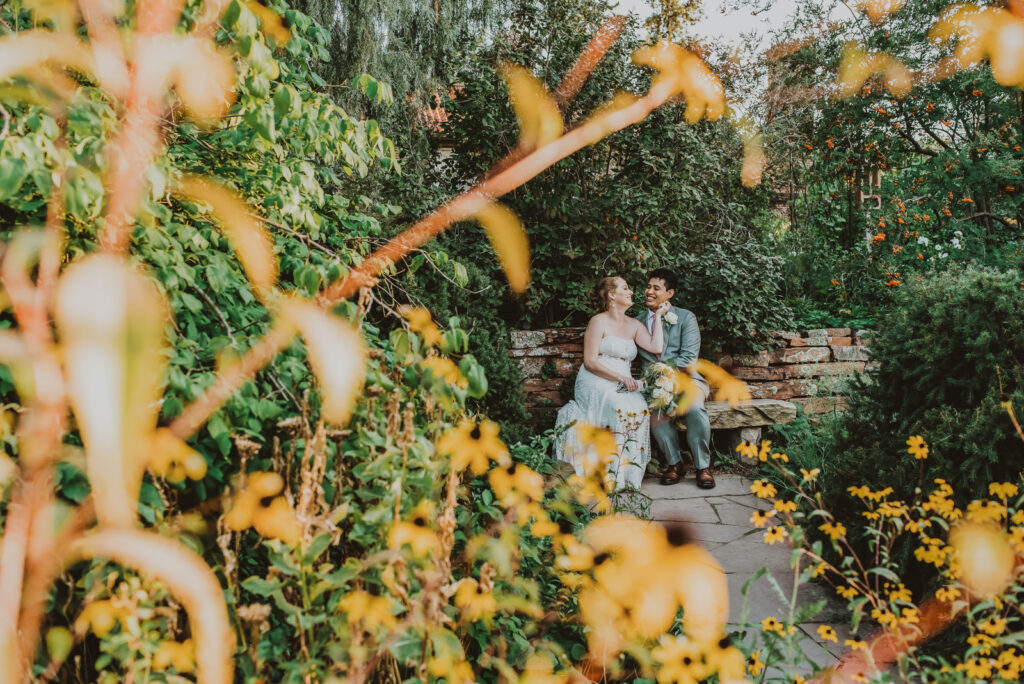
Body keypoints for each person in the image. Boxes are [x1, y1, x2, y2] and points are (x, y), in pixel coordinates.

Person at [554, 276, 667, 491]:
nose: (631, 292)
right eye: (625, 288)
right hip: (596, 379)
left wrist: (659, 316)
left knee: (640, 409)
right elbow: (590, 361)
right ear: (612, 294)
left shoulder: (634, 325)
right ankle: (608, 476)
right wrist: (620, 378)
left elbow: (656, 346)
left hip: (623, 382)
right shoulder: (598, 321)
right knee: (619, 408)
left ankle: (625, 474)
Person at [635, 268, 715, 489]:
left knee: (695, 407)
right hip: (654, 383)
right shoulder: (636, 322)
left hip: (688, 379)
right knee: (654, 412)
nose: (649, 291)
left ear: (669, 293)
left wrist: (666, 375)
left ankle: (702, 467)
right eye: (648, 287)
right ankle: (675, 464)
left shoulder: (685, 317)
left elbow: (689, 358)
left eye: (656, 288)